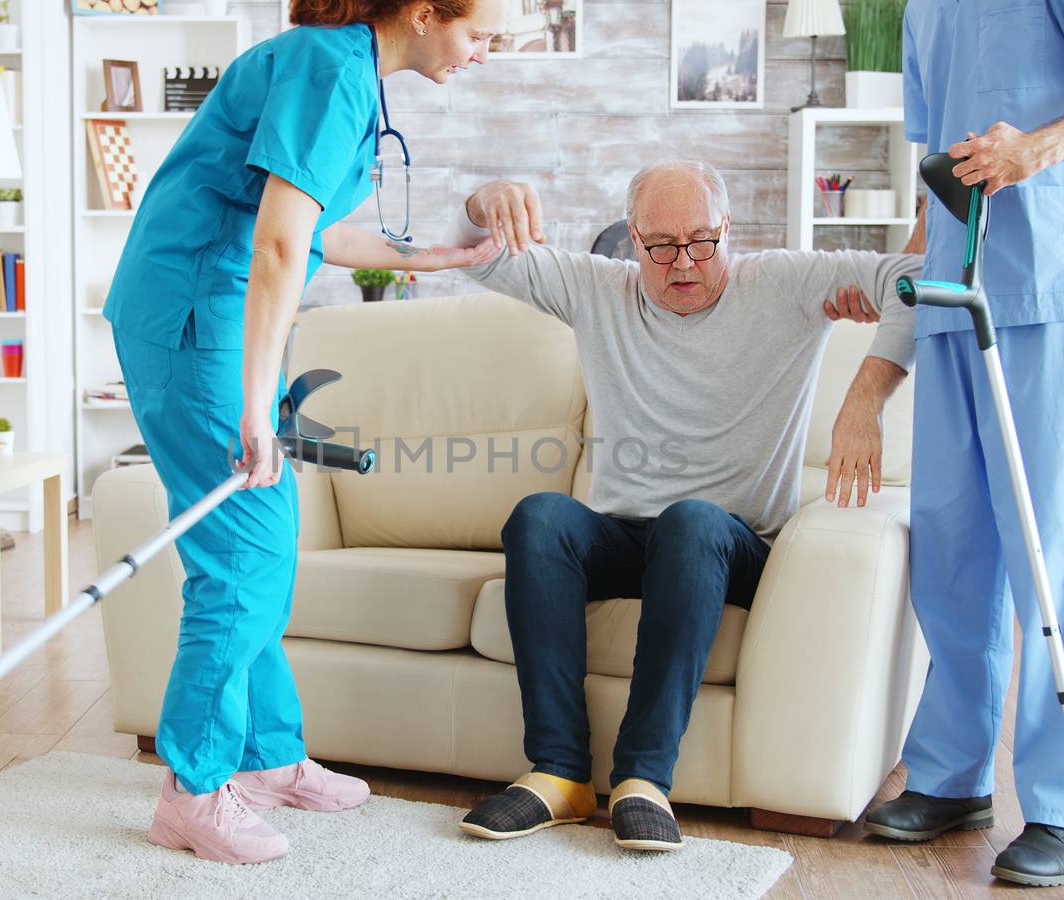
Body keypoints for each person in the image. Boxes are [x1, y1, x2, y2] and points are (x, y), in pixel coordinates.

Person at [358, 160, 921, 850]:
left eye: (701, 241)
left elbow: (914, 285)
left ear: (726, 229)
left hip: (731, 543)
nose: (683, 263)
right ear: (633, 239)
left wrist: (863, 401)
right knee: (539, 517)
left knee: (691, 522)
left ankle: (644, 779)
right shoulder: (599, 290)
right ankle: (559, 774)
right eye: (661, 246)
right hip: (628, 536)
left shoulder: (782, 283)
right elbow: (472, 252)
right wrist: (482, 203)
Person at [102, 0, 505, 864]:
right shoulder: (329, 72)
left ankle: (266, 755)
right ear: (428, 13)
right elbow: (281, 249)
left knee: (268, 540)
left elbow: (313, 225)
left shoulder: (340, 66)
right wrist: (257, 405)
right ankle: (194, 787)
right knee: (243, 554)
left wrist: (438, 257)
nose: (483, 54)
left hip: (213, 308)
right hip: (195, 313)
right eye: (480, 34)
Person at [862, 0, 1064, 888]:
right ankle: (950, 776)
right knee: (953, 553)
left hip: (1052, 282)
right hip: (953, 299)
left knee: (1058, 554)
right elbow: (936, 186)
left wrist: (1035, 149)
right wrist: (884, 351)